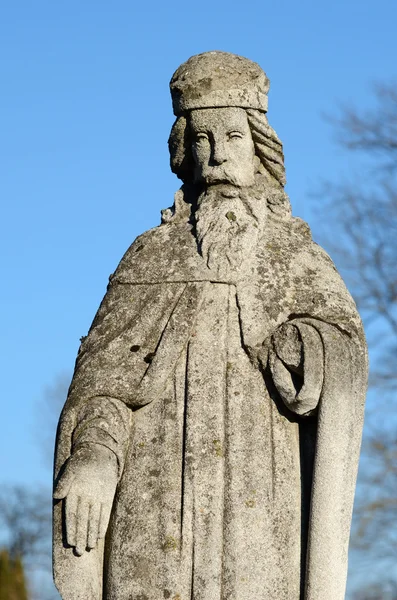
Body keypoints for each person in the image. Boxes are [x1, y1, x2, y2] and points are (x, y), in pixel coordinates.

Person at [53, 51, 367, 600]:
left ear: (260, 147)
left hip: (260, 517)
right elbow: (102, 386)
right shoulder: (150, 259)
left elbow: (343, 351)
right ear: (184, 150)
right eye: (203, 140)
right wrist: (94, 455)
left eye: (234, 137)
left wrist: (306, 352)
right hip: (152, 516)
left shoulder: (293, 258)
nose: (218, 155)